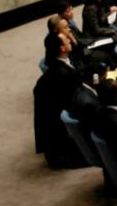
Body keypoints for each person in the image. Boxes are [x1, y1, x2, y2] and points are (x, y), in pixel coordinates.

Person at [33, 32, 85, 168]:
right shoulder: (62, 74)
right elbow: (77, 101)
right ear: (62, 48)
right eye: (66, 39)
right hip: (61, 134)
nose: (69, 39)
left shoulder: (59, 63)